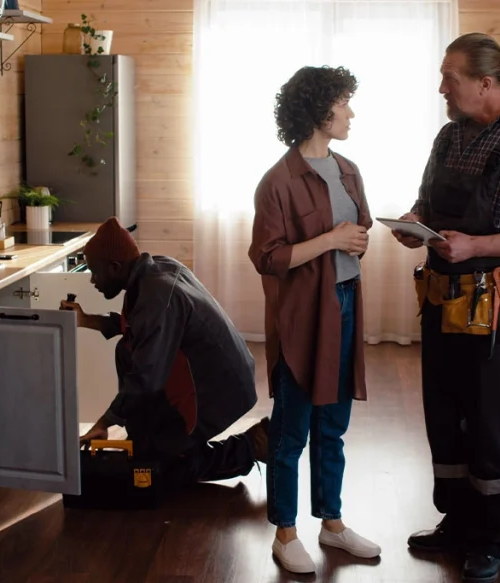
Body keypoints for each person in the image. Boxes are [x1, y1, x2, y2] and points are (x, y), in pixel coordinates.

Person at [393, 33, 500, 582]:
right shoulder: (448, 137)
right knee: (444, 415)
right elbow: (426, 197)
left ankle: (489, 538)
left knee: (491, 423)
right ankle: (458, 523)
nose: (442, 87)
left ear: (487, 84)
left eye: (451, 78)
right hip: (443, 299)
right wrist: (413, 226)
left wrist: (475, 245)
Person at [248, 65, 381, 574]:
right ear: (317, 109)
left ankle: (332, 523)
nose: (350, 112)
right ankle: (285, 533)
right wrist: (331, 240)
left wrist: (353, 240)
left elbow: (360, 229)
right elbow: (269, 257)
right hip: (303, 316)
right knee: (291, 431)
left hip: (346, 303)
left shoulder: (348, 169)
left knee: (335, 424)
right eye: (344, 102)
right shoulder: (277, 182)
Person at [63, 217, 269, 494]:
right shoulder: (153, 271)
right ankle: (152, 442)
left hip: (216, 389)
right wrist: (86, 319)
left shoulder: (157, 295)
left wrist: (105, 422)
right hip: (219, 373)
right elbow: (138, 328)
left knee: (158, 471)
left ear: (115, 267)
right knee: (125, 350)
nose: (92, 281)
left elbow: (146, 377)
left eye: (95, 273)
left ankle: (251, 446)